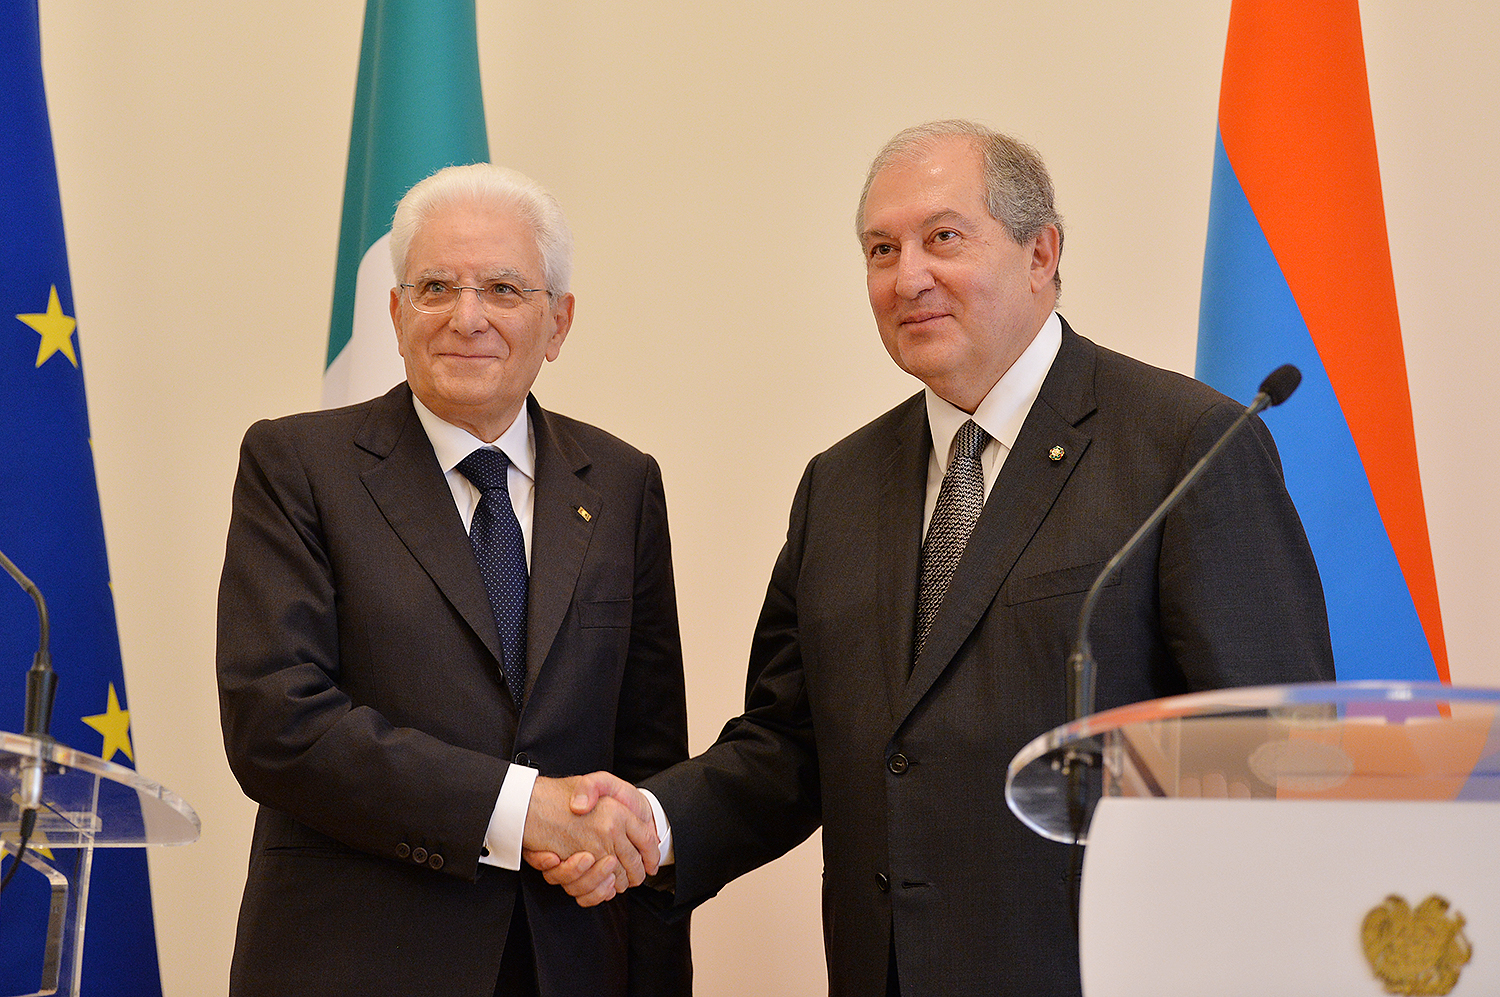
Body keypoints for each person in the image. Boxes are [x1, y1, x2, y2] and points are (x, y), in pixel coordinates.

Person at [533, 121, 1336, 996]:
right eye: (881, 249)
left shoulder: (1185, 446)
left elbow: (1273, 749)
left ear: (1041, 253)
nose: (907, 276)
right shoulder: (839, 483)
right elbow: (790, 743)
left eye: (943, 237)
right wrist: (650, 822)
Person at [216, 163, 689, 997]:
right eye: (436, 287)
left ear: (557, 321)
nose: (467, 317)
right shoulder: (297, 466)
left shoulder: (622, 483)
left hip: (570, 963)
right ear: (397, 314)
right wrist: (519, 809)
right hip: (356, 964)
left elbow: (648, 762)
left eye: (503, 288)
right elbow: (277, 723)